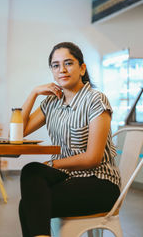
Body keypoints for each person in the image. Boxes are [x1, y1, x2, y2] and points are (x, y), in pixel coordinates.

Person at [19, 42, 121, 237]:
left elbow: (92, 159)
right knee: (31, 170)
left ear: (82, 68)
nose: (62, 70)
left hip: (101, 183)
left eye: (68, 63)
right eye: (55, 65)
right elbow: (18, 132)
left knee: (29, 206)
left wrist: (52, 163)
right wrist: (33, 93)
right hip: (69, 177)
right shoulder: (52, 101)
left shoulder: (95, 100)